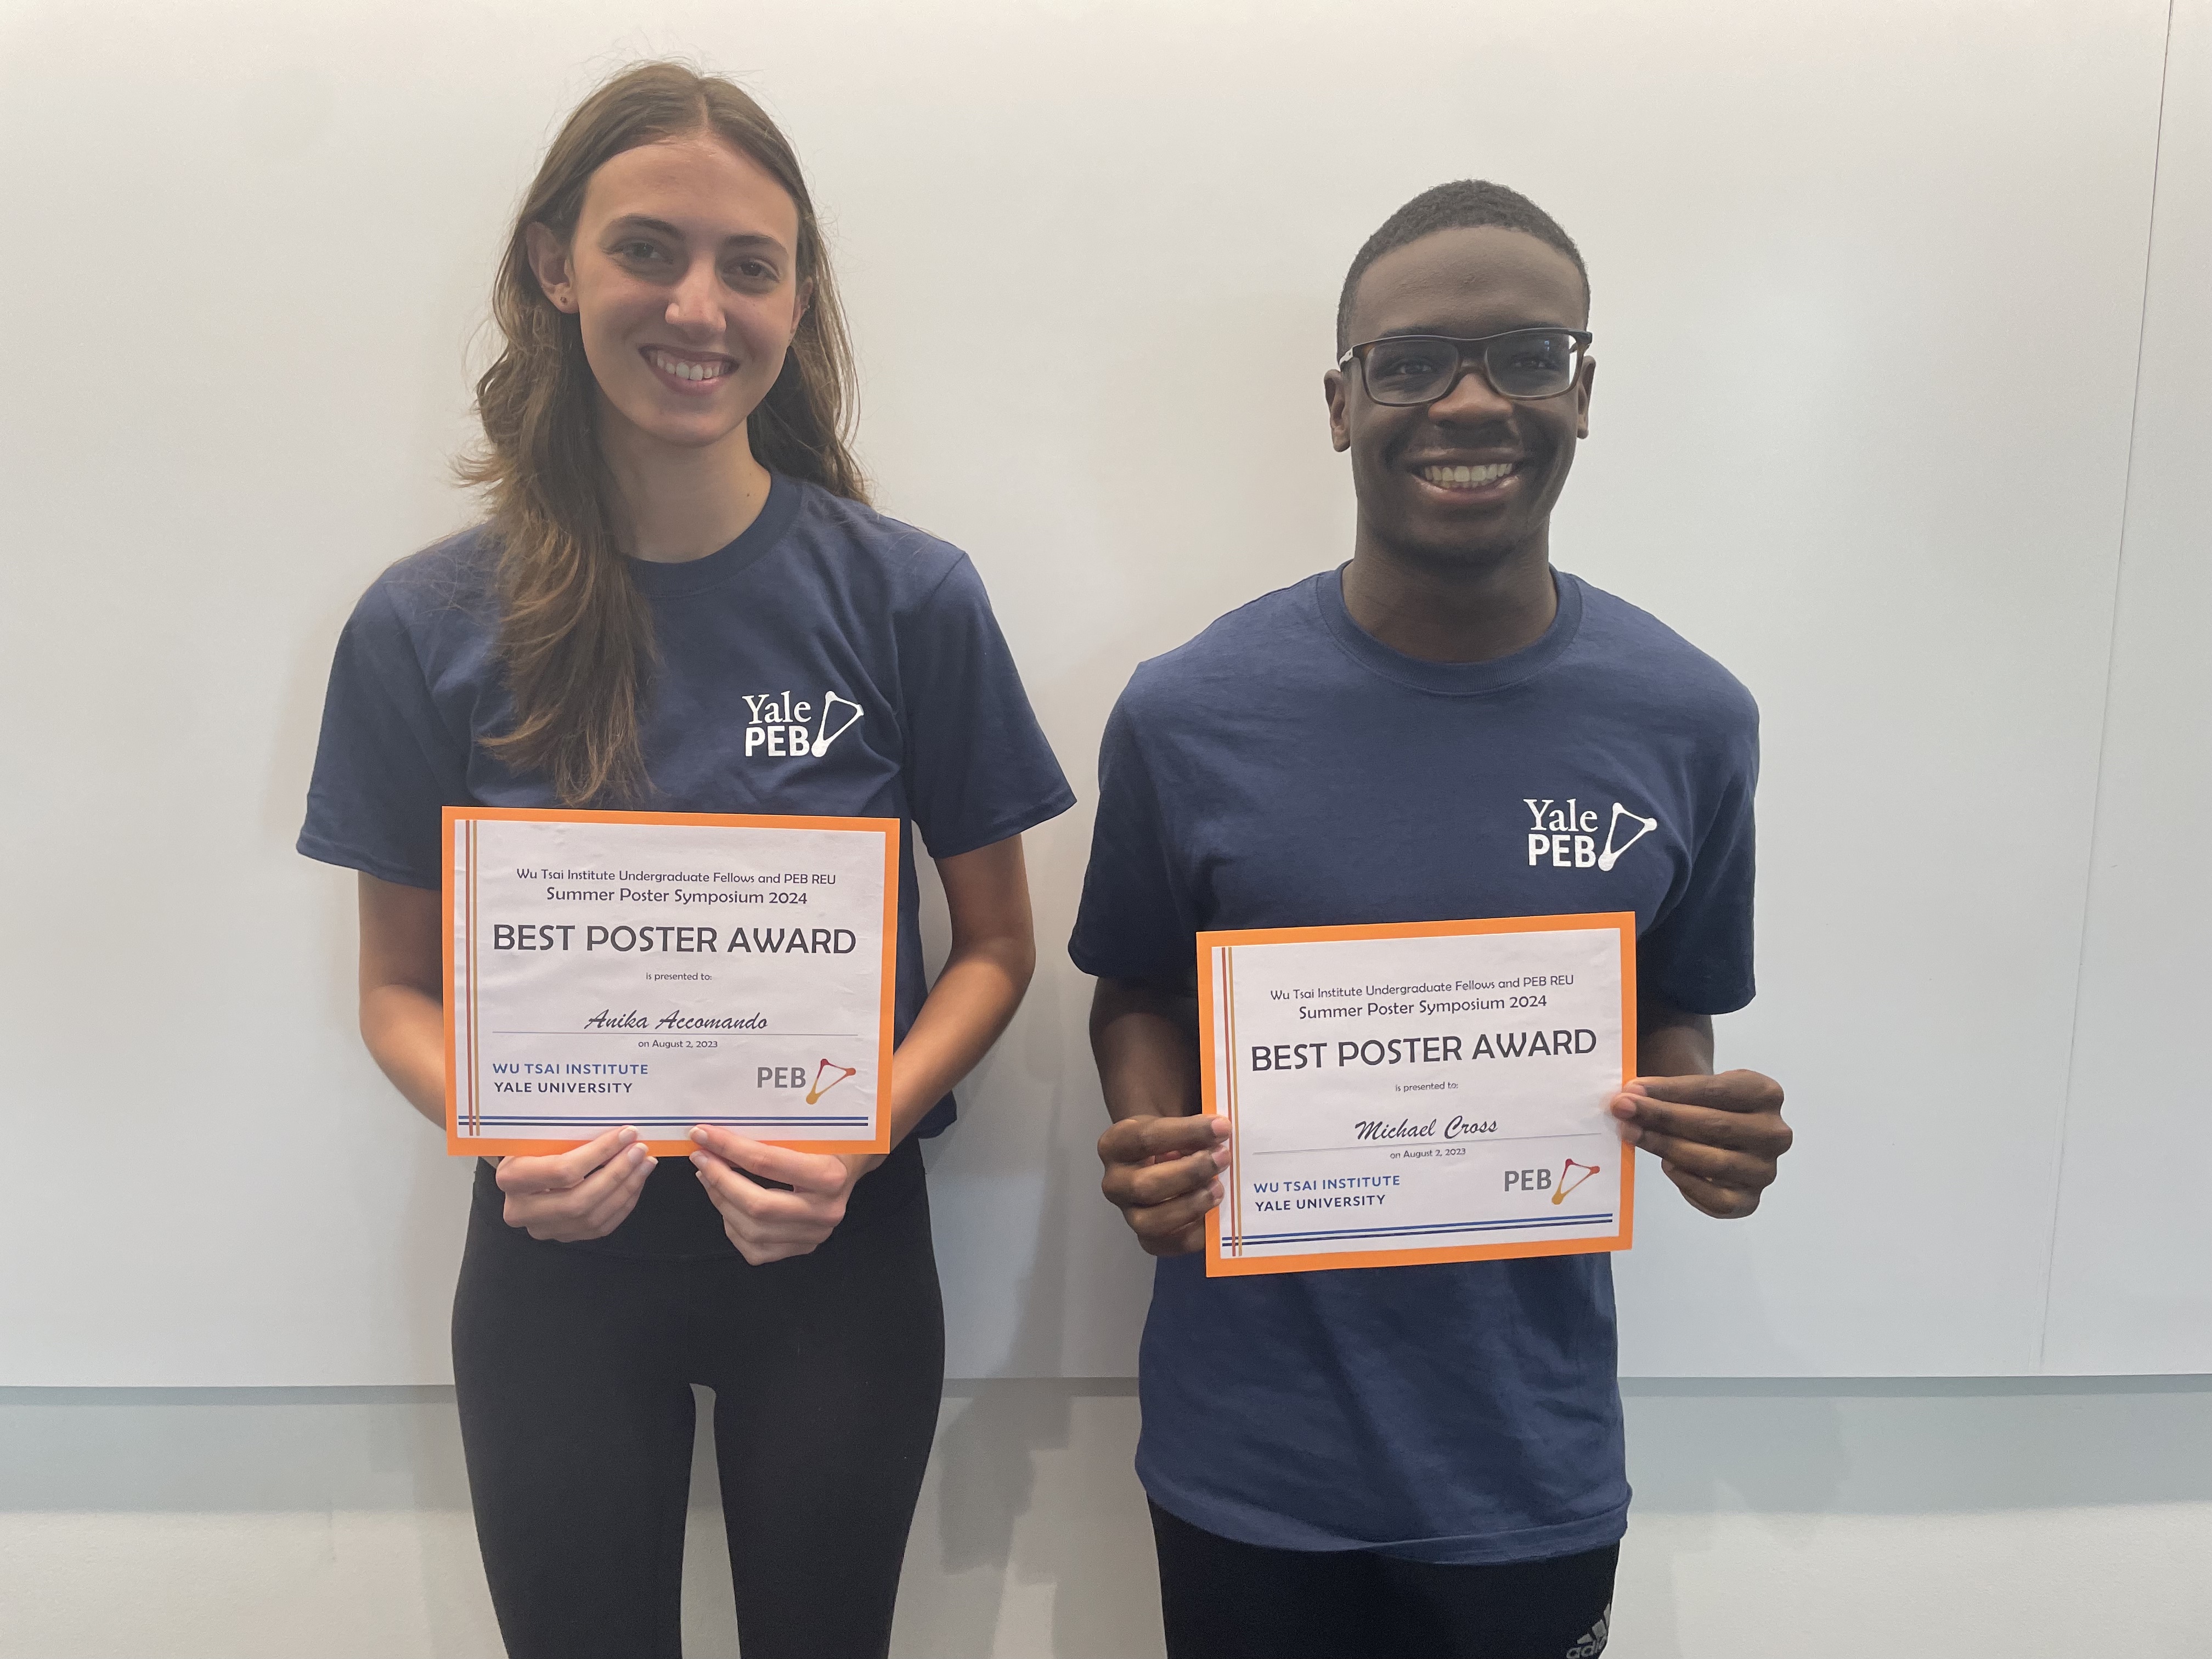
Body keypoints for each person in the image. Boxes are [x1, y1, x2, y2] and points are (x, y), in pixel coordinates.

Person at [297, 63, 1071, 1659]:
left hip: (834, 1246)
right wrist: (493, 1130)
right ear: (553, 264)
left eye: (750, 265)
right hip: (555, 1258)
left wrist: (859, 1137)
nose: (698, 306)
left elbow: (997, 946)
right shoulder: (424, 623)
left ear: (799, 298)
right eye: (648, 249)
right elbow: (389, 988)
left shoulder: (910, 599)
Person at [1073, 180, 1794, 1659]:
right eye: (1411, 363)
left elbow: (1674, 1001)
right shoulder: (1188, 712)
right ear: (1342, 403)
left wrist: (1703, 1123)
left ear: (1583, 392)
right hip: (1250, 1457)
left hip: (1522, 1463)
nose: (1471, 402)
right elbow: (1136, 986)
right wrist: (1149, 1143)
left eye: (1527, 355)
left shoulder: (1692, 721)